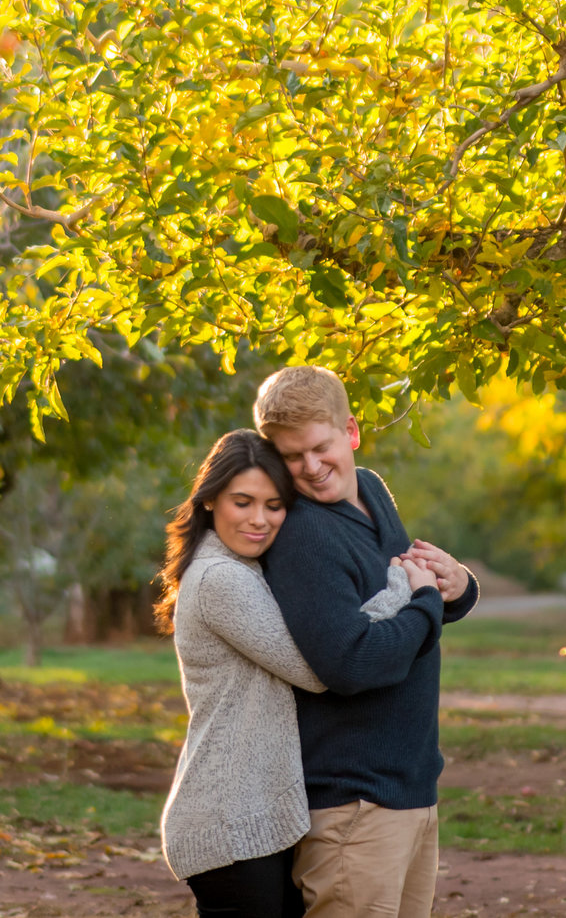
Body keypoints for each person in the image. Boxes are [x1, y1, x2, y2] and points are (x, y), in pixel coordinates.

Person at [155, 428, 441, 918]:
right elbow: (319, 666)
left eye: (274, 505)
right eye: (242, 502)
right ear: (209, 502)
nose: (259, 520)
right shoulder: (220, 579)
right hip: (230, 820)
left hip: (263, 814)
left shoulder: (244, 567)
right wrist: (410, 590)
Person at [256, 367, 478, 918]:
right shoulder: (304, 534)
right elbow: (352, 661)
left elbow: (400, 609)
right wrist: (428, 602)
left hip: (410, 784)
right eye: (290, 456)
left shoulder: (373, 491)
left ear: (351, 431)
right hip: (354, 802)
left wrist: (458, 586)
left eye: (320, 447)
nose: (310, 468)